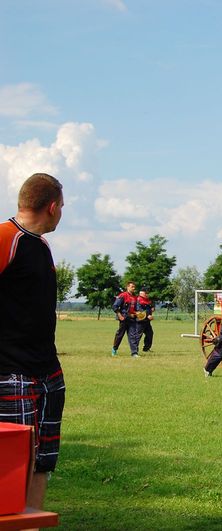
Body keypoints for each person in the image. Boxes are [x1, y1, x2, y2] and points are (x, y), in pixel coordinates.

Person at [0, 173, 66, 510]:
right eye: (63, 207)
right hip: (13, 375)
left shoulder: (39, 246)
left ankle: (33, 523)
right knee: (12, 466)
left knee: (43, 463)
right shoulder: (5, 237)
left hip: (48, 374)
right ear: (52, 207)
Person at [111, 281, 140, 357]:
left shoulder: (135, 297)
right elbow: (115, 306)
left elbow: (136, 309)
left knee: (133, 336)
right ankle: (114, 349)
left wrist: (137, 313)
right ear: (127, 287)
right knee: (120, 335)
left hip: (132, 319)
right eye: (132, 286)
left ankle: (134, 353)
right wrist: (119, 315)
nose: (133, 288)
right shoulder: (123, 295)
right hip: (124, 319)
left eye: (134, 287)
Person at [135, 286, 154, 352]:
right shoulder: (138, 299)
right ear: (141, 293)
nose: (147, 294)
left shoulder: (147, 300)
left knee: (150, 334)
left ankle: (146, 348)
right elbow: (139, 310)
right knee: (138, 336)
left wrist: (152, 308)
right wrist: (148, 315)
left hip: (147, 321)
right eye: (146, 292)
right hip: (140, 321)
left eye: (147, 292)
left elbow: (150, 306)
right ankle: (134, 350)